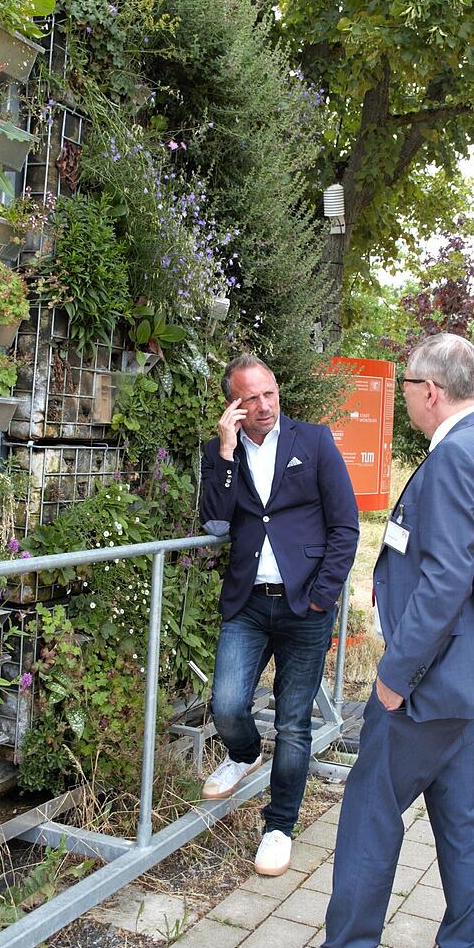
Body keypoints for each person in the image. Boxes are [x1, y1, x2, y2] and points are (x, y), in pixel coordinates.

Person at [255, 333, 474, 948]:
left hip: (428, 682)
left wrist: (394, 678)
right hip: (468, 678)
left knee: (371, 807)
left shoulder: (459, 456)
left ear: (430, 390)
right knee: (461, 819)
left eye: (407, 385)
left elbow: (443, 583)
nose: (405, 395)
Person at [199, 354, 359, 876]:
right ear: (234, 405)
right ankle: (244, 754)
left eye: (268, 393)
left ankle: (279, 826)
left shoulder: (313, 441)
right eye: (250, 397)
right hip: (248, 601)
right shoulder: (219, 453)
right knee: (226, 704)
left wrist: (322, 596)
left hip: (304, 604)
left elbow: (345, 526)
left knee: (293, 724)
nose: (263, 405)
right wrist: (225, 451)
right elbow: (217, 524)